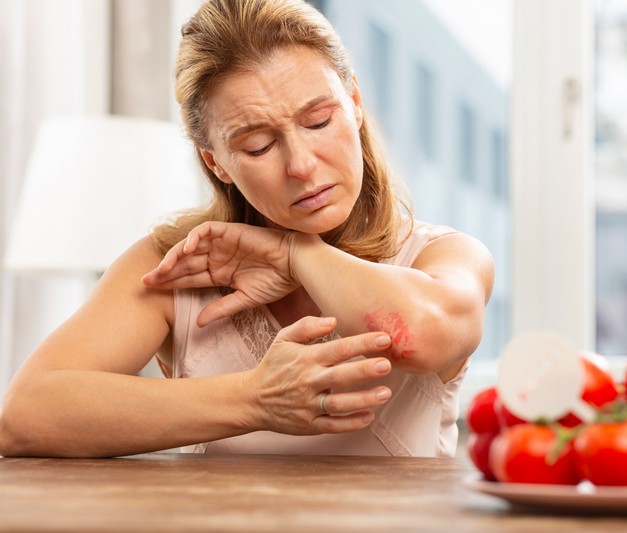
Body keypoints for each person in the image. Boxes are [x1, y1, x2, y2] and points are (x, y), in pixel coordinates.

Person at [0, 0, 494, 458]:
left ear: (355, 102)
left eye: (318, 121)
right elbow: (24, 417)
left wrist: (297, 253)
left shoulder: (443, 255)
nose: (301, 165)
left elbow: (424, 336)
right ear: (215, 163)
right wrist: (254, 398)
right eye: (258, 146)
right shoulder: (177, 266)